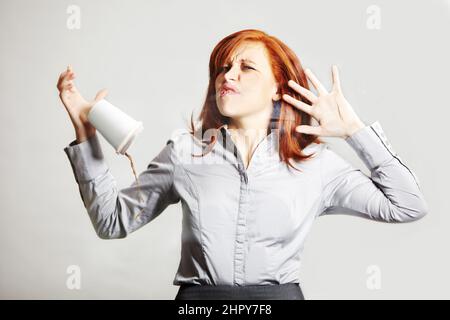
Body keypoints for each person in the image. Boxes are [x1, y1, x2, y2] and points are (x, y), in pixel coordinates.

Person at [57, 29, 428, 300]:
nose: (227, 75)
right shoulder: (185, 153)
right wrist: (86, 130)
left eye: (246, 67)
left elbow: (408, 205)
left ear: (277, 89)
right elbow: (111, 221)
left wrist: (353, 131)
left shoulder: (317, 166)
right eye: (222, 67)